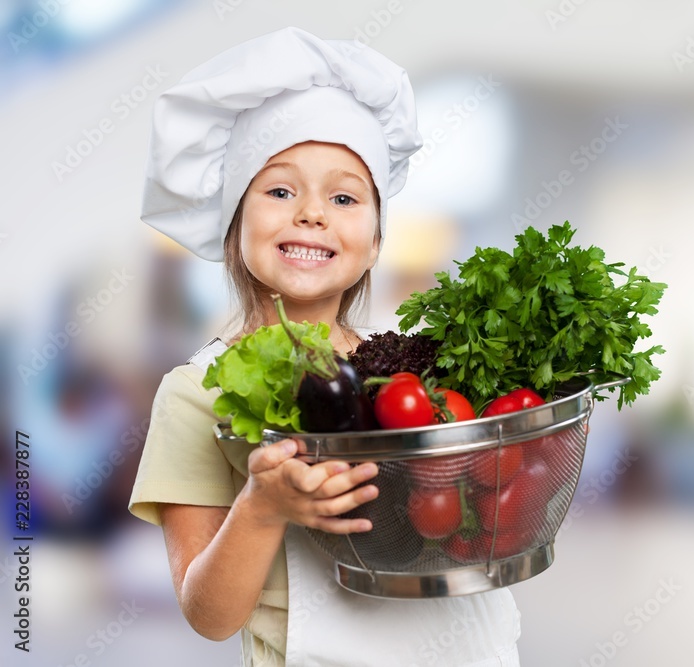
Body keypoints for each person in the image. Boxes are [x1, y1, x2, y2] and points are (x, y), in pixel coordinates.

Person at [128, 27, 521, 666]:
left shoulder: (416, 376)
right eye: (279, 190)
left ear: (374, 241)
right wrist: (261, 508)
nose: (312, 213)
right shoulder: (195, 393)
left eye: (343, 197)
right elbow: (208, 616)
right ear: (236, 221)